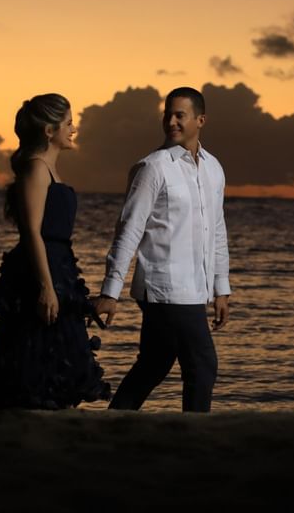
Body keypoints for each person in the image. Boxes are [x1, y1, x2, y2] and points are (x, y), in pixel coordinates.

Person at [97, 86, 231, 412]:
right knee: (202, 365)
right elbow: (128, 230)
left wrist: (221, 287)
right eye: (167, 114)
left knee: (154, 364)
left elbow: (216, 229)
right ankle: (192, 440)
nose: (171, 121)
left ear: (201, 120)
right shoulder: (153, 167)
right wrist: (110, 291)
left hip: (194, 288)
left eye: (179, 115)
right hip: (164, 287)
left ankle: (113, 423)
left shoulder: (214, 168)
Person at [0, 93, 114, 409]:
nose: (74, 129)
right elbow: (31, 232)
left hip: (59, 267)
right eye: (68, 123)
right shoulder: (36, 169)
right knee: (33, 358)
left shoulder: (48, 169)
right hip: (41, 270)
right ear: (49, 131)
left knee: (58, 359)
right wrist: (46, 287)